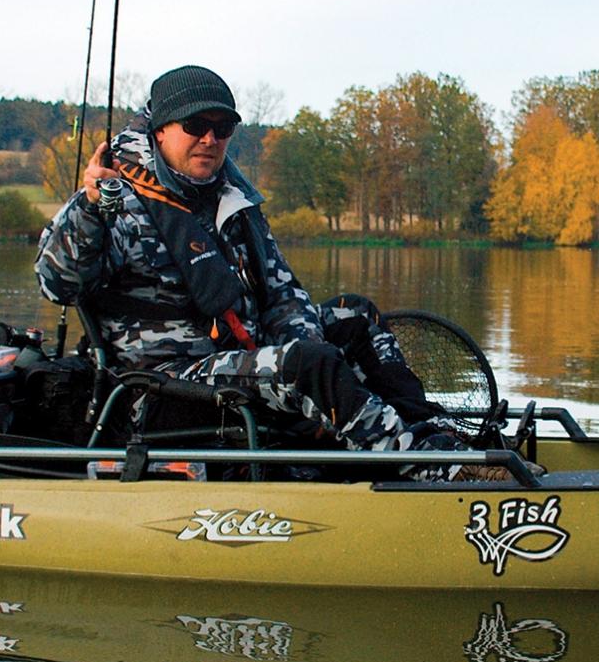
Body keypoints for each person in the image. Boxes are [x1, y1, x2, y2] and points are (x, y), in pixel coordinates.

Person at [36, 65, 502, 479]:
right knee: (303, 368)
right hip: (165, 387)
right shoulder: (115, 204)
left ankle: (426, 432)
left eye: (222, 128)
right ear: (159, 131)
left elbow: (283, 295)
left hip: (240, 359)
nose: (210, 139)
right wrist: (90, 208)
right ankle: (416, 464)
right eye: (196, 126)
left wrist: (313, 355)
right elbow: (58, 284)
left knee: (353, 317)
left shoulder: (231, 202)